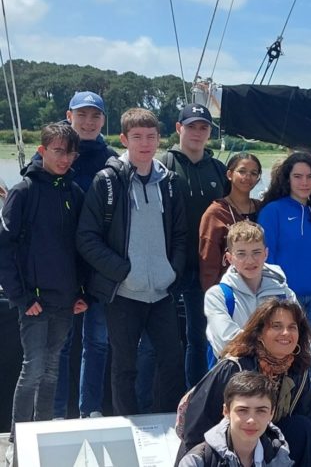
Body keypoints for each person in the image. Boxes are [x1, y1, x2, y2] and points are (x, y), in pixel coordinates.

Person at [76, 107, 187, 416]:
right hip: (123, 293)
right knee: (124, 366)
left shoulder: (171, 183)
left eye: (151, 136)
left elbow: (180, 234)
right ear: (124, 139)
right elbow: (86, 238)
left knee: (171, 362)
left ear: (160, 139)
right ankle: (129, 424)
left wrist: (172, 270)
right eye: (137, 137)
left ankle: (170, 423)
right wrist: (123, 271)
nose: (145, 143)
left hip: (162, 291)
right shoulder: (107, 181)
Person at [0, 123, 86, 456]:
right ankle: (17, 442)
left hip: (65, 299)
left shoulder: (75, 193)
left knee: (52, 369)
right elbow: (5, 249)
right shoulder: (23, 191)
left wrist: (82, 292)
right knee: (33, 369)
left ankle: (42, 437)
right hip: (32, 301)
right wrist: (21, 297)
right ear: (42, 151)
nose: (65, 159)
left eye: (70, 153)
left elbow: (81, 248)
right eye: (58, 151)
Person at [179, 299, 311, 466]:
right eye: (276, 326)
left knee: (302, 428)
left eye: (292, 327)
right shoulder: (232, 368)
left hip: (267, 447)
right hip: (221, 452)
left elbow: (309, 429)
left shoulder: (298, 372)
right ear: (259, 333)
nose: (285, 333)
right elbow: (196, 427)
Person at [51, 91, 118, 420]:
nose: (88, 122)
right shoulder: (56, 155)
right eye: (82, 115)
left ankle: (89, 409)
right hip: (62, 266)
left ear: (103, 120)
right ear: (69, 116)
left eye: (95, 116)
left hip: (99, 266)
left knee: (97, 341)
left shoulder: (113, 160)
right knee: (60, 345)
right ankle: (56, 411)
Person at [161, 103, 229, 388]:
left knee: (200, 336)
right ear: (179, 128)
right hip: (170, 265)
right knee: (159, 339)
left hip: (206, 269)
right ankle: (160, 397)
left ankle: (197, 394)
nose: (197, 133)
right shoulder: (164, 164)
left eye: (203, 127)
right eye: (191, 127)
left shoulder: (217, 169)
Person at [257, 152, 311, 367]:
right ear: (287, 179)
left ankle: (306, 401)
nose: (304, 182)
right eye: (298, 176)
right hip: (284, 299)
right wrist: (277, 297)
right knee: (281, 358)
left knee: (310, 359)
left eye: (310, 177)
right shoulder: (272, 212)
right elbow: (267, 258)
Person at [205, 221, 296, 358]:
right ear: (229, 258)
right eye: (241, 254)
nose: (250, 261)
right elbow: (227, 342)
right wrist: (277, 346)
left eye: (256, 252)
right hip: (236, 377)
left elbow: (302, 338)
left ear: (266, 254)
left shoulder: (285, 294)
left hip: (278, 376)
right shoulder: (218, 296)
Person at [177, 371, 292, 467]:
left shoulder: (279, 454)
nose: (251, 420)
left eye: (261, 411)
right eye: (242, 410)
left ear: (272, 413)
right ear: (226, 411)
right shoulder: (198, 461)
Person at [199, 153, 263, 292]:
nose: (247, 177)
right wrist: (215, 298)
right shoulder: (216, 213)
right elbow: (208, 262)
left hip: (261, 290)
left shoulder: (263, 210)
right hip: (230, 290)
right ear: (229, 174)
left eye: (253, 173)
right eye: (242, 171)